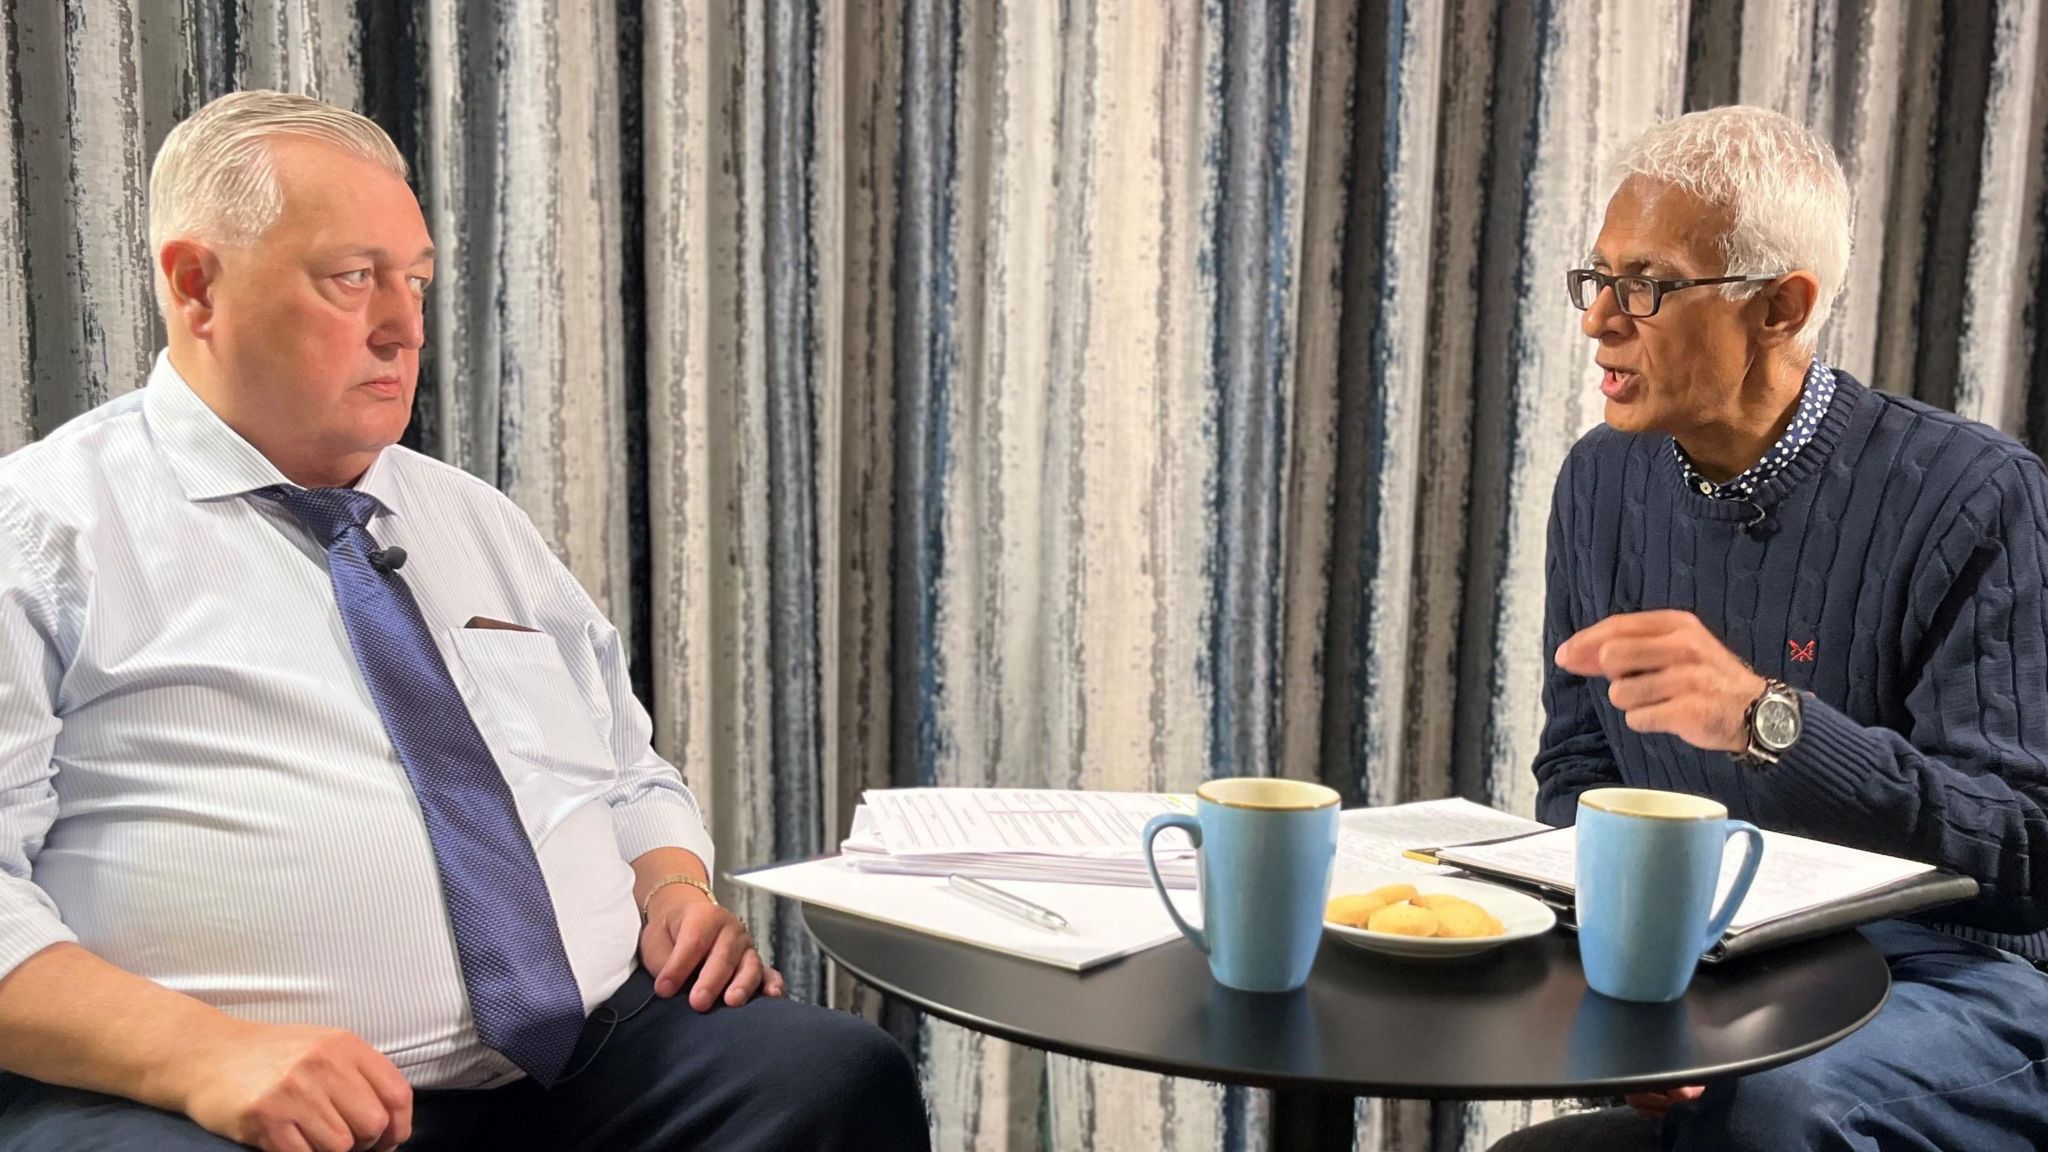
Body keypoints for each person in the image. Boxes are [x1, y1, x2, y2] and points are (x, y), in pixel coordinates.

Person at [0, 90, 928, 1152]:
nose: (403, 325)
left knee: (833, 1074)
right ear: (196, 285)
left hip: (585, 1055)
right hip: (214, 1093)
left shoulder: (471, 519)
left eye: (418, 280)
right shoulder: (38, 534)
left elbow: (627, 771)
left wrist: (671, 884)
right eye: (352, 279)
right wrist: (197, 1054)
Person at [1490, 106, 2048, 1151]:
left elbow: (2021, 847)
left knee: (1778, 1103)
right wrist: (1633, 980)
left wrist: (1769, 720)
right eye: (1596, 276)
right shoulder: (1599, 481)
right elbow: (1575, 768)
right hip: (1732, 968)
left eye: (1645, 284)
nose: (1598, 320)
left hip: (1960, 980)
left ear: (1778, 308)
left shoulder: (1975, 495)